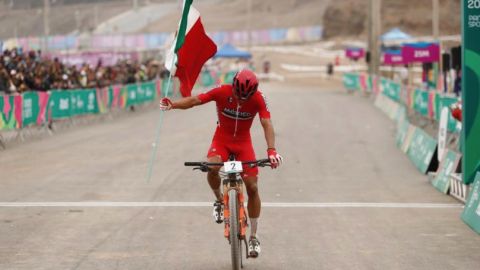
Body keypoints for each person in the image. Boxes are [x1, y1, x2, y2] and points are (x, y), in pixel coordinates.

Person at [159, 69, 283, 258]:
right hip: (222, 141)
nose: (241, 100)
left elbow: (267, 123)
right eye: (238, 95)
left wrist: (271, 150)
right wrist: (173, 105)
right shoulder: (221, 91)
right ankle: (218, 201)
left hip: (243, 144)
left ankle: (254, 236)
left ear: (253, 92)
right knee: (212, 167)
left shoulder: (259, 98)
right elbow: (194, 101)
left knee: (252, 187)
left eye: (245, 97)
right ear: (233, 86)